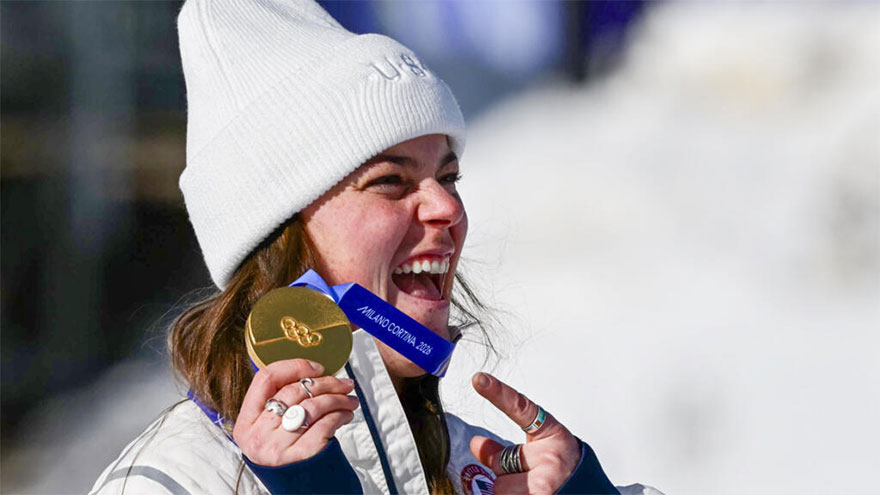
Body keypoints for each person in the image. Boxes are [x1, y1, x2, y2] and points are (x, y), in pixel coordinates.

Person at [91, 1, 659, 494]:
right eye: (391, 180)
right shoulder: (169, 480)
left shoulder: (479, 470)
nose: (449, 209)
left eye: (449, 177)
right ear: (279, 236)